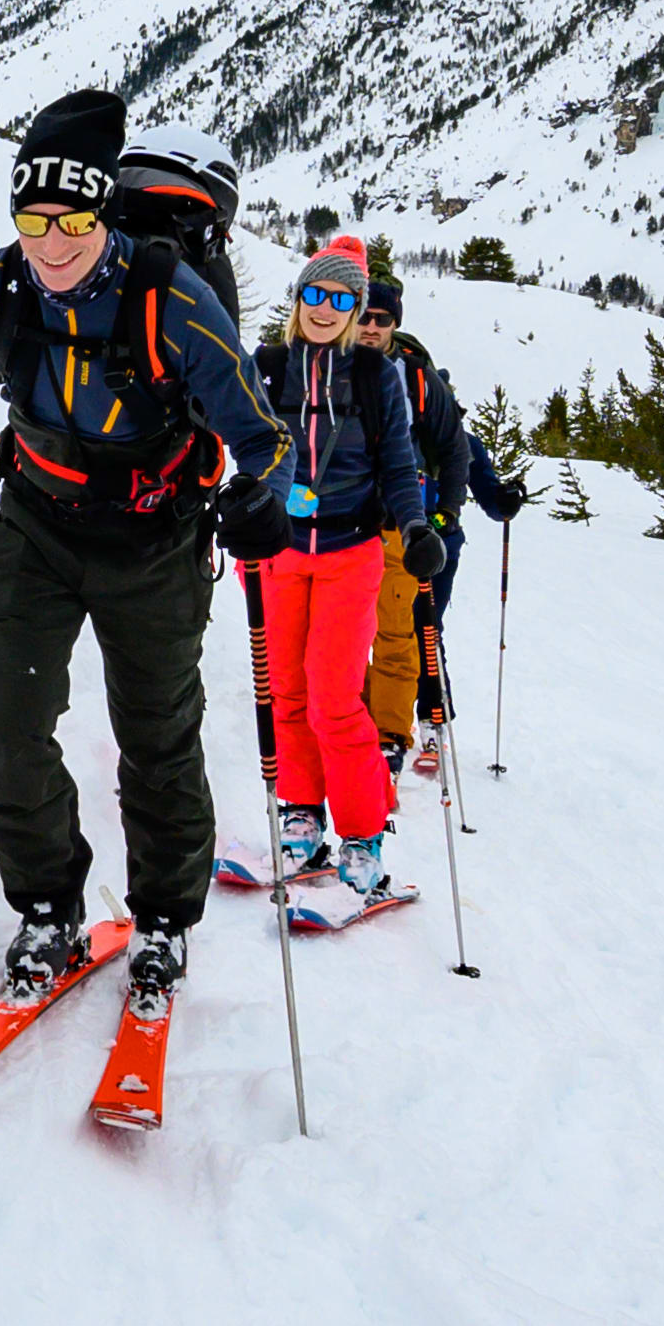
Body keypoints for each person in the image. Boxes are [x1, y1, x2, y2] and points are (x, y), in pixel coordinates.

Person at [0, 88, 283, 1024]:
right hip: (36, 532)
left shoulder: (176, 302)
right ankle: (46, 907)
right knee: (10, 736)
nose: (53, 246)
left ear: (105, 217)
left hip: (155, 543)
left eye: (75, 223)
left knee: (158, 740)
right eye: (34, 221)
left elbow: (271, 443)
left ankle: (165, 917)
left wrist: (267, 501)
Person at [234, 233, 432, 902]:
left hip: (350, 553)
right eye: (315, 294)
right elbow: (229, 441)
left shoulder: (377, 378)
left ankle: (362, 831)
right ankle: (300, 813)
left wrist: (414, 524)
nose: (325, 308)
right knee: (286, 693)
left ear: (355, 309)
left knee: (333, 699)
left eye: (341, 299)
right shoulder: (265, 366)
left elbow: (400, 465)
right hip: (277, 553)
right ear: (299, 300)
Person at [368, 300, 530, 778]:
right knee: (391, 627)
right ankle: (390, 715)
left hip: (435, 540)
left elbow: (477, 475)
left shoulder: (445, 428)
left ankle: (431, 722)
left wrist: (501, 500)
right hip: (393, 533)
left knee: (422, 627)